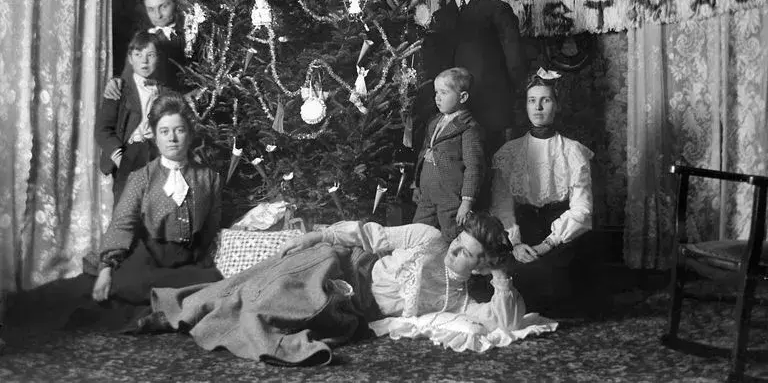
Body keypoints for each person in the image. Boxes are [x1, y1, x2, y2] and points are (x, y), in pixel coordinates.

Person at [140, 212, 528, 365]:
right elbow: (368, 234)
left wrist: (502, 274)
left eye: (466, 253)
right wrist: (315, 236)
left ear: (480, 266)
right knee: (275, 280)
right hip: (347, 265)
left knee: (289, 307)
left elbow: (505, 323)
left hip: (356, 309)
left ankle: (226, 322)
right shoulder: (427, 238)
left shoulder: (458, 301)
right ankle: (180, 310)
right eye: (458, 240)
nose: (454, 250)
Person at [91, 91, 222, 306]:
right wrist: (106, 270)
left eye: (179, 130)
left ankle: (177, 299)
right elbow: (122, 225)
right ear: (154, 136)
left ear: (189, 134)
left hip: (191, 262)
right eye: (164, 131)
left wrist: (203, 255)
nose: (172, 138)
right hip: (151, 260)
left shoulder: (209, 178)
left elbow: (211, 226)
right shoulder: (141, 178)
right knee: (127, 287)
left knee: (214, 285)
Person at [489, 68, 595, 312]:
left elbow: (583, 209)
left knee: (556, 282)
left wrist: (547, 244)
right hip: (520, 228)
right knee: (506, 276)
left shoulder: (573, 152)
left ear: (557, 105)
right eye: (532, 101)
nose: (538, 108)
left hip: (560, 230)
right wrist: (514, 243)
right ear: (525, 106)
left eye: (545, 100)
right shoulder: (509, 153)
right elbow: (501, 205)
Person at [421, 0, 526, 158]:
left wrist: (512, 110)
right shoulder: (439, 18)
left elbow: (516, 64)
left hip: (490, 114)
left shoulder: (498, 11)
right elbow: (432, 69)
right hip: (451, 117)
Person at [412, 67, 484, 241]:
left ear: (463, 97)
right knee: (417, 233)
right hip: (427, 193)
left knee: (451, 236)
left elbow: (474, 168)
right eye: (436, 92)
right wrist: (416, 184)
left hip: (450, 197)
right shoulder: (434, 121)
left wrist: (466, 202)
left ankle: (452, 265)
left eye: (444, 92)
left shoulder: (468, 128)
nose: (437, 97)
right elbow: (424, 153)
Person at [96, 31, 165, 206]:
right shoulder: (118, 89)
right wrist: (119, 156)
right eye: (138, 55)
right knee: (125, 208)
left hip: (155, 154)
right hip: (128, 153)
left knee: (154, 208)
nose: (144, 61)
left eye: (150, 55)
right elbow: (102, 130)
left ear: (158, 58)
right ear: (130, 58)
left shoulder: (164, 92)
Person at [105, 0, 188, 100]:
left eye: (164, 7)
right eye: (151, 9)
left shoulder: (188, 36)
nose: (158, 15)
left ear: (176, 3)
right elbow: (128, 77)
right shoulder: (142, 37)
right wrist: (116, 83)